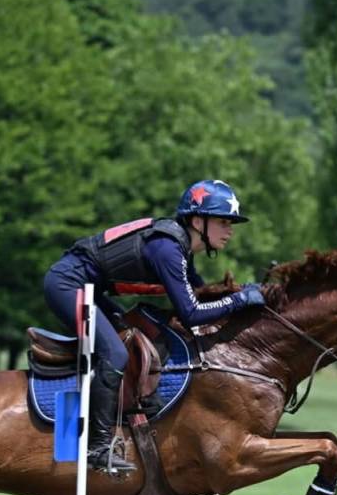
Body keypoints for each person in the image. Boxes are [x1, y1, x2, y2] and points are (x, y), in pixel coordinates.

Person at [44, 179, 266, 476]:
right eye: (224, 221)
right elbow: (192, 313)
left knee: (136, 338)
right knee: (116, 354)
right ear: (198, 220)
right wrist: (239, 301)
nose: (230, 230)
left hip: (92, 290)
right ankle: (97, 447)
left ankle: (142, 409)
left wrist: (238, 296)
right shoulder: (167, 249)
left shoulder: (180, 249)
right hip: (67, 285)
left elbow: (199, 295)